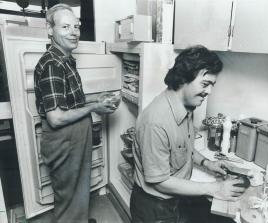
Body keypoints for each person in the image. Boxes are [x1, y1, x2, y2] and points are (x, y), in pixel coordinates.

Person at [130, 45, 247, 223]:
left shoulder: (187, 106)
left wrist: (207, 163)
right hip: (154, 209)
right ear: (184, 79)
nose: (209, 92)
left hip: (174, 200)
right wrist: (214, 188)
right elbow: (159, 181)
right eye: (205, 84)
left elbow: (183, 146)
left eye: (212, 85)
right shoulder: (156, 122)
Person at [34, 4, 116, 223]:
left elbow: (68, 102)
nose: (74, 32)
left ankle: (77, 219)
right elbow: (56, 117)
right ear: (50, 29)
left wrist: (95, 99)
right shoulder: (53, 65)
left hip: (73, 137)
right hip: (64, 138)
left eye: (77, 27)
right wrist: (93, 108)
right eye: (65, 27)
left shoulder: (64, 60)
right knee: (68, 195)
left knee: (77, 190)